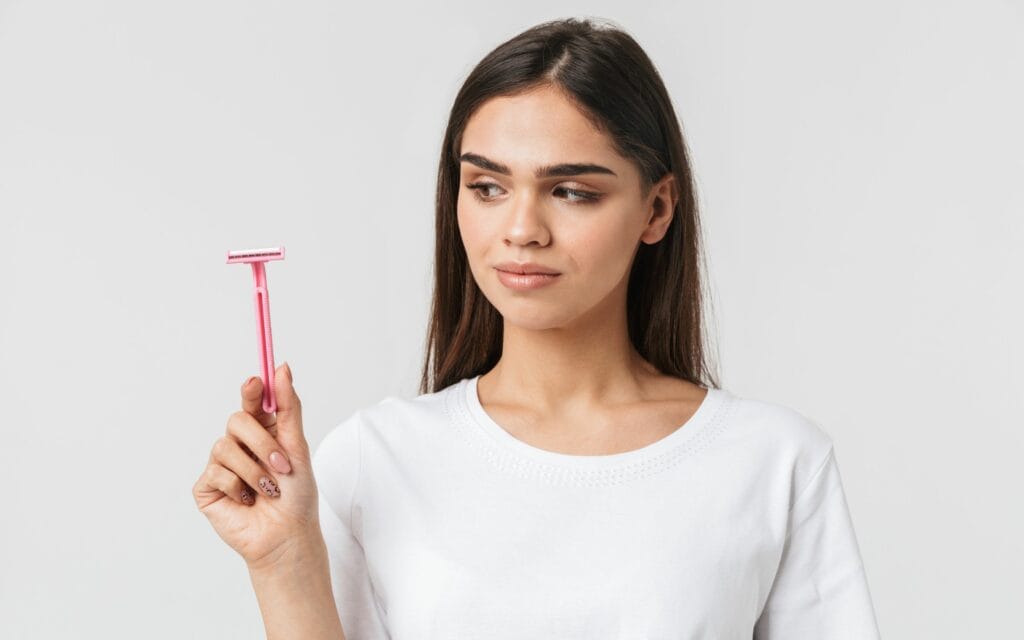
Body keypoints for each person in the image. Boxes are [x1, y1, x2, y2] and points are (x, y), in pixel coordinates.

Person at [194, 17, 882, 640]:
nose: (521, 230)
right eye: (487, 187)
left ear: (657, 209)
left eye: (573, 191)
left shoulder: (773, 463)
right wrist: (283, 562)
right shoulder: (373, 461)